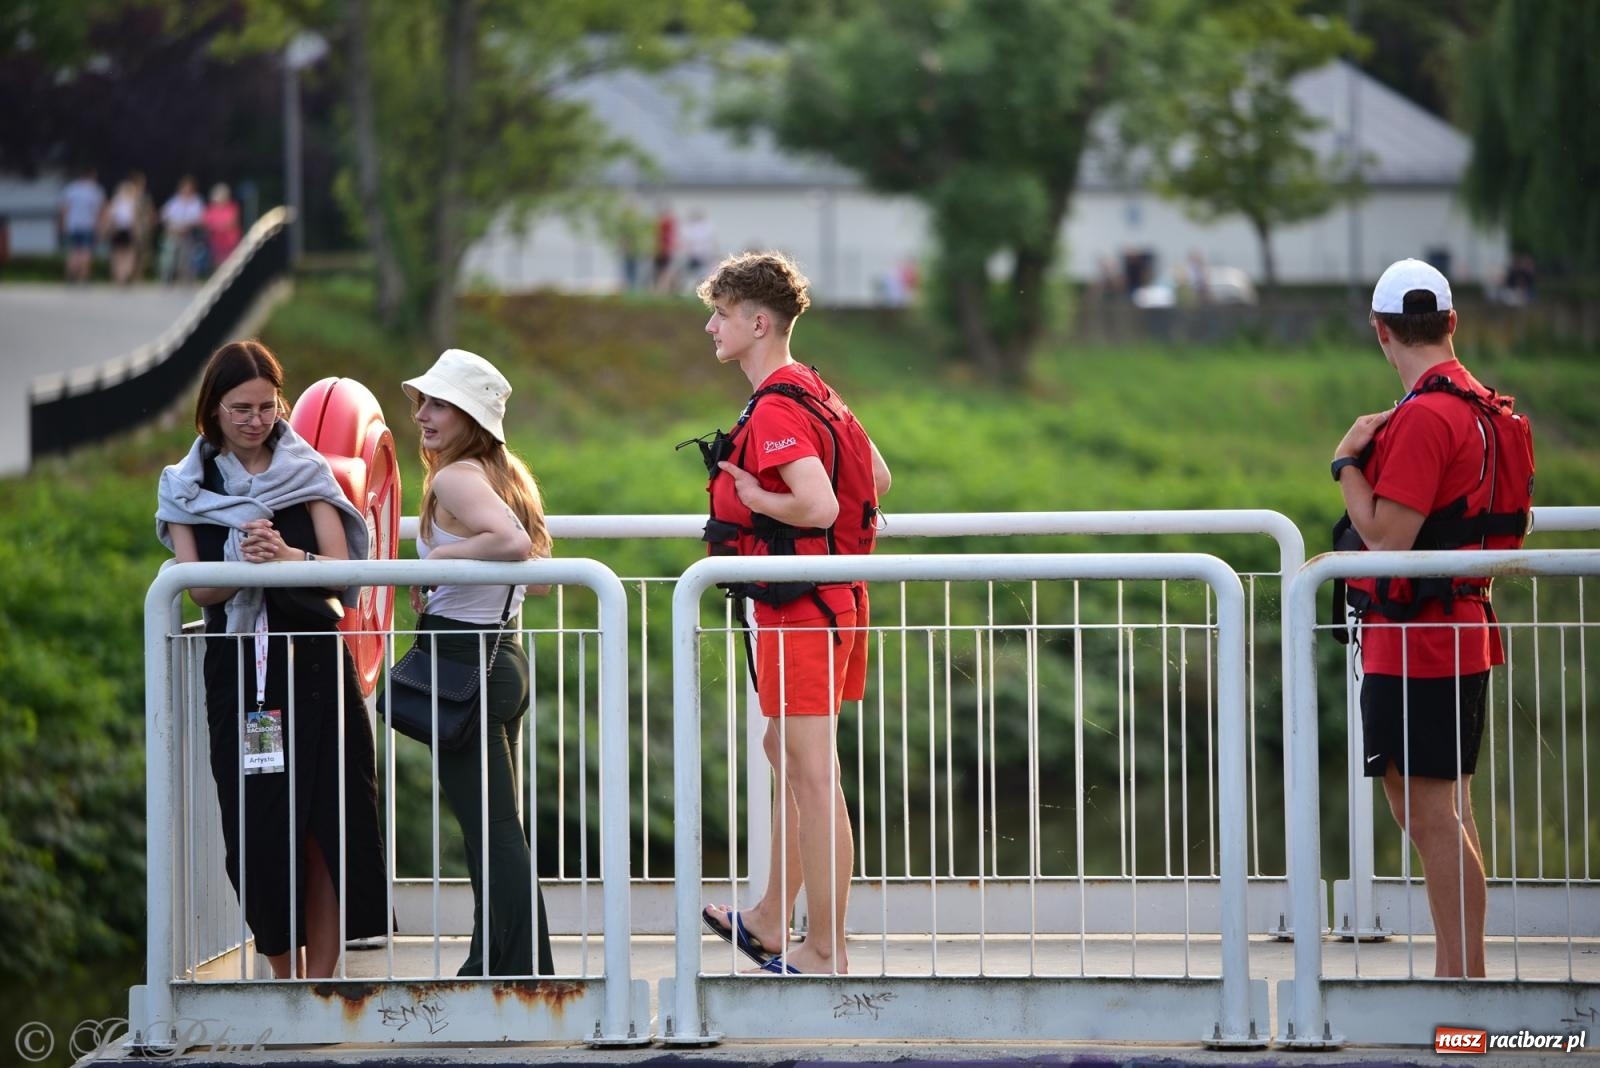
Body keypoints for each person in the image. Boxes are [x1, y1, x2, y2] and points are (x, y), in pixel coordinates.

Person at [155, 340, 388, 978]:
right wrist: (242, 561)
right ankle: (281, 981)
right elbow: (198, 587)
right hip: (241, 673)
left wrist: (286, 561)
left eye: (266, 406)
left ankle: (323, 982)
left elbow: (344, 573)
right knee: (260, 828)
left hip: (313, 662)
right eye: (241, 408)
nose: (257, 420)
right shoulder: (187, 486)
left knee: (328, 823)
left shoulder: (307, 470)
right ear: (213, 410)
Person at [1331, 258, 1534, 979]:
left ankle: (1461, 987)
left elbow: (1385, 539)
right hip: (1466, 628)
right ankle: (1465, 974)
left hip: (1416, 640)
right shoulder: (1488, 409)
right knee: (1449, 814)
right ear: (1451, 322)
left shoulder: (1424, 416)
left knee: (1429, 820)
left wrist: (1346, 462)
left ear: (1381, 331)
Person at [693, 251, 891, 976]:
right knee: (790, 753)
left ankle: (823, 951)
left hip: (803, 608)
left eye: (720, 315)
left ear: (758, 321)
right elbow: (879, 478)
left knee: (810, 773)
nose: (711, 327)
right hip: (835, 601)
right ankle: (774, 919)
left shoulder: (778, 404)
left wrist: (754, 500)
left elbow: (820, 503)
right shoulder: (817, 390)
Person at [402, 348, 556, 977]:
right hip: (503, 655)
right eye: (423, 403)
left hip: (465, 659)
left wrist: (435, 565)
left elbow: (516, 546)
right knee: (491, 826)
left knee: (491, 829)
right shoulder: (508, 472)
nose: (423, 416)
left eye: (440, 404)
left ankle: (522, 973)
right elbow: (538, 576)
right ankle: (491, 960)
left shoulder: (456, 478)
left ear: (471, 417)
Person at [59, 167, 104, 283]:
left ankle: (70, 276)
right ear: (92, 176)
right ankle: (84, 277)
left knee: (74, 252)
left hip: (73, 225)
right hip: (88, 225)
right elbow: (98, 212)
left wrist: (63, 224)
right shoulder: (95, 190)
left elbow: (65, 209)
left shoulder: (72, 189)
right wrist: (99, 227)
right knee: (86, 252)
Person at [160, 175, 206, 283]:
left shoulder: (196, 201)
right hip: (173, 232)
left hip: (189, 233)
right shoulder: (174, 201)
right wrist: (171, 227)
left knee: (186, 258)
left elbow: (199, 218)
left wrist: (187, 226)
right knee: (169, 258)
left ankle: (186, 279)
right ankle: (167, 279)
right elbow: (164, 216)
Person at [104, 176, 149, 285]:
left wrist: (109, 229)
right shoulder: (133, 202)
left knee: (118, 255)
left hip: (118, 229)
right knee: (129, 254)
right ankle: (125, 274)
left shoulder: (116, 201)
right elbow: (135, 218)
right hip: (128, 229)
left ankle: (119, 276)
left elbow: (110, 217)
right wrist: (136, 231)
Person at [203, 183, 243, 273]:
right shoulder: (210, 208)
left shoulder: (232, 207)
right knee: (218, 263)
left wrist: (217, 226)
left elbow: (232, 222)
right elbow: (205, 223)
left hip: (230, 240)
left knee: (231, 263)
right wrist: (220, 226)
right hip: (216, 240)